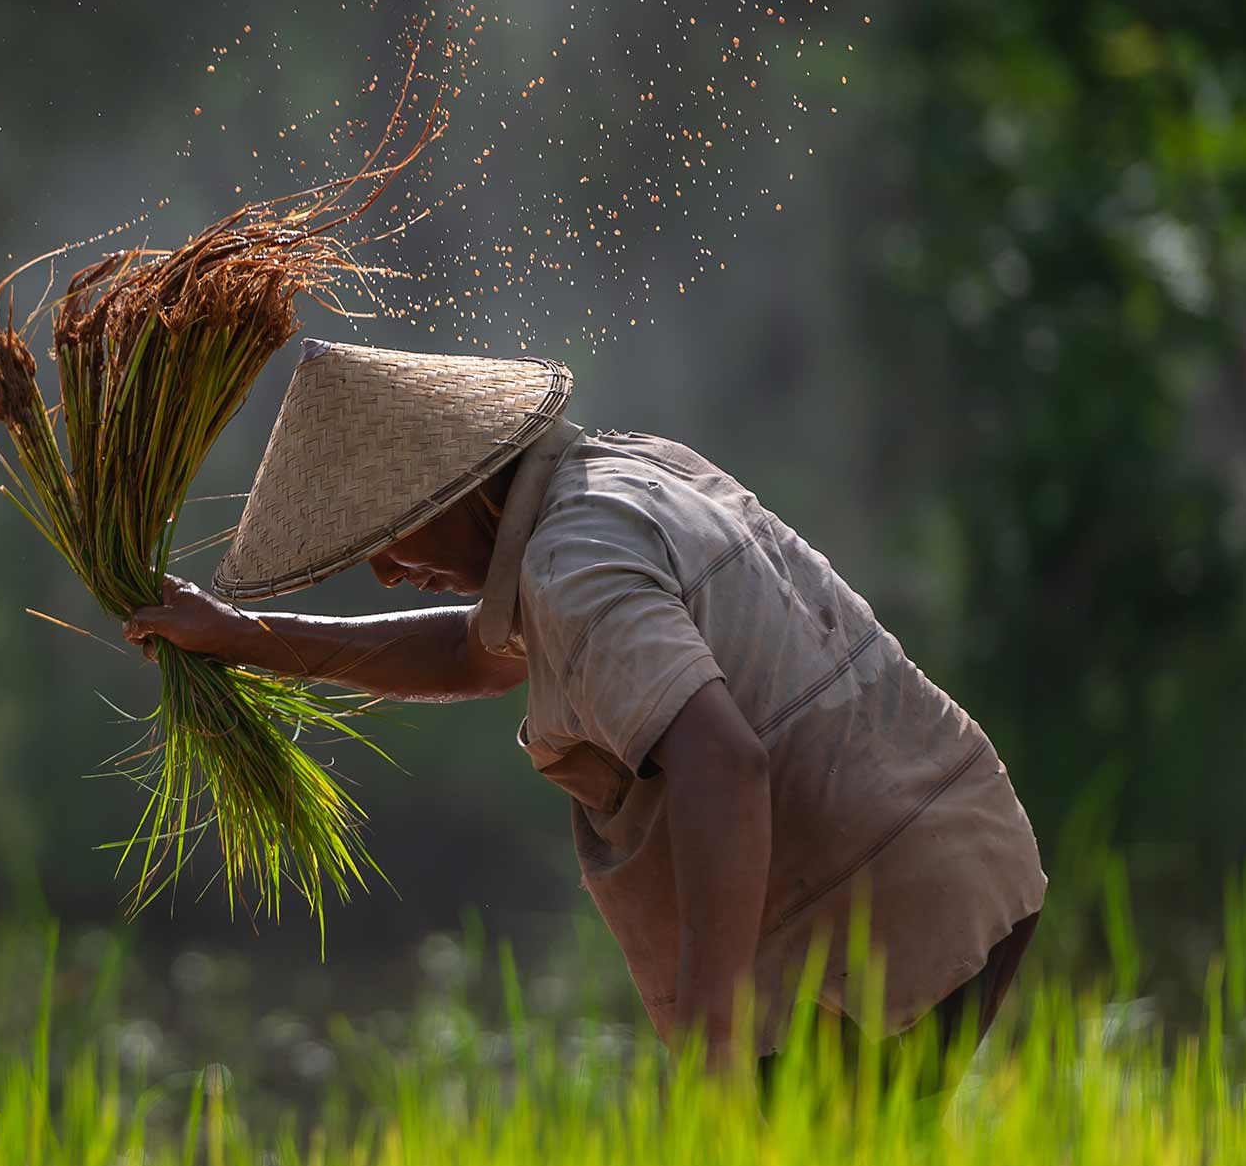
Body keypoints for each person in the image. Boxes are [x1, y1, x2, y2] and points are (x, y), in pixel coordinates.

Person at [122, 339, 1046, 1084]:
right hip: (952, 850)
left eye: (388, 532)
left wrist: (713, 1035)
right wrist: (243, 637)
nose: (387, 570)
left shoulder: (574, 565)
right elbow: (469, 656)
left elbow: (723, 764)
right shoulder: (618, 476)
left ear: (463, 489)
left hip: (873, 917)